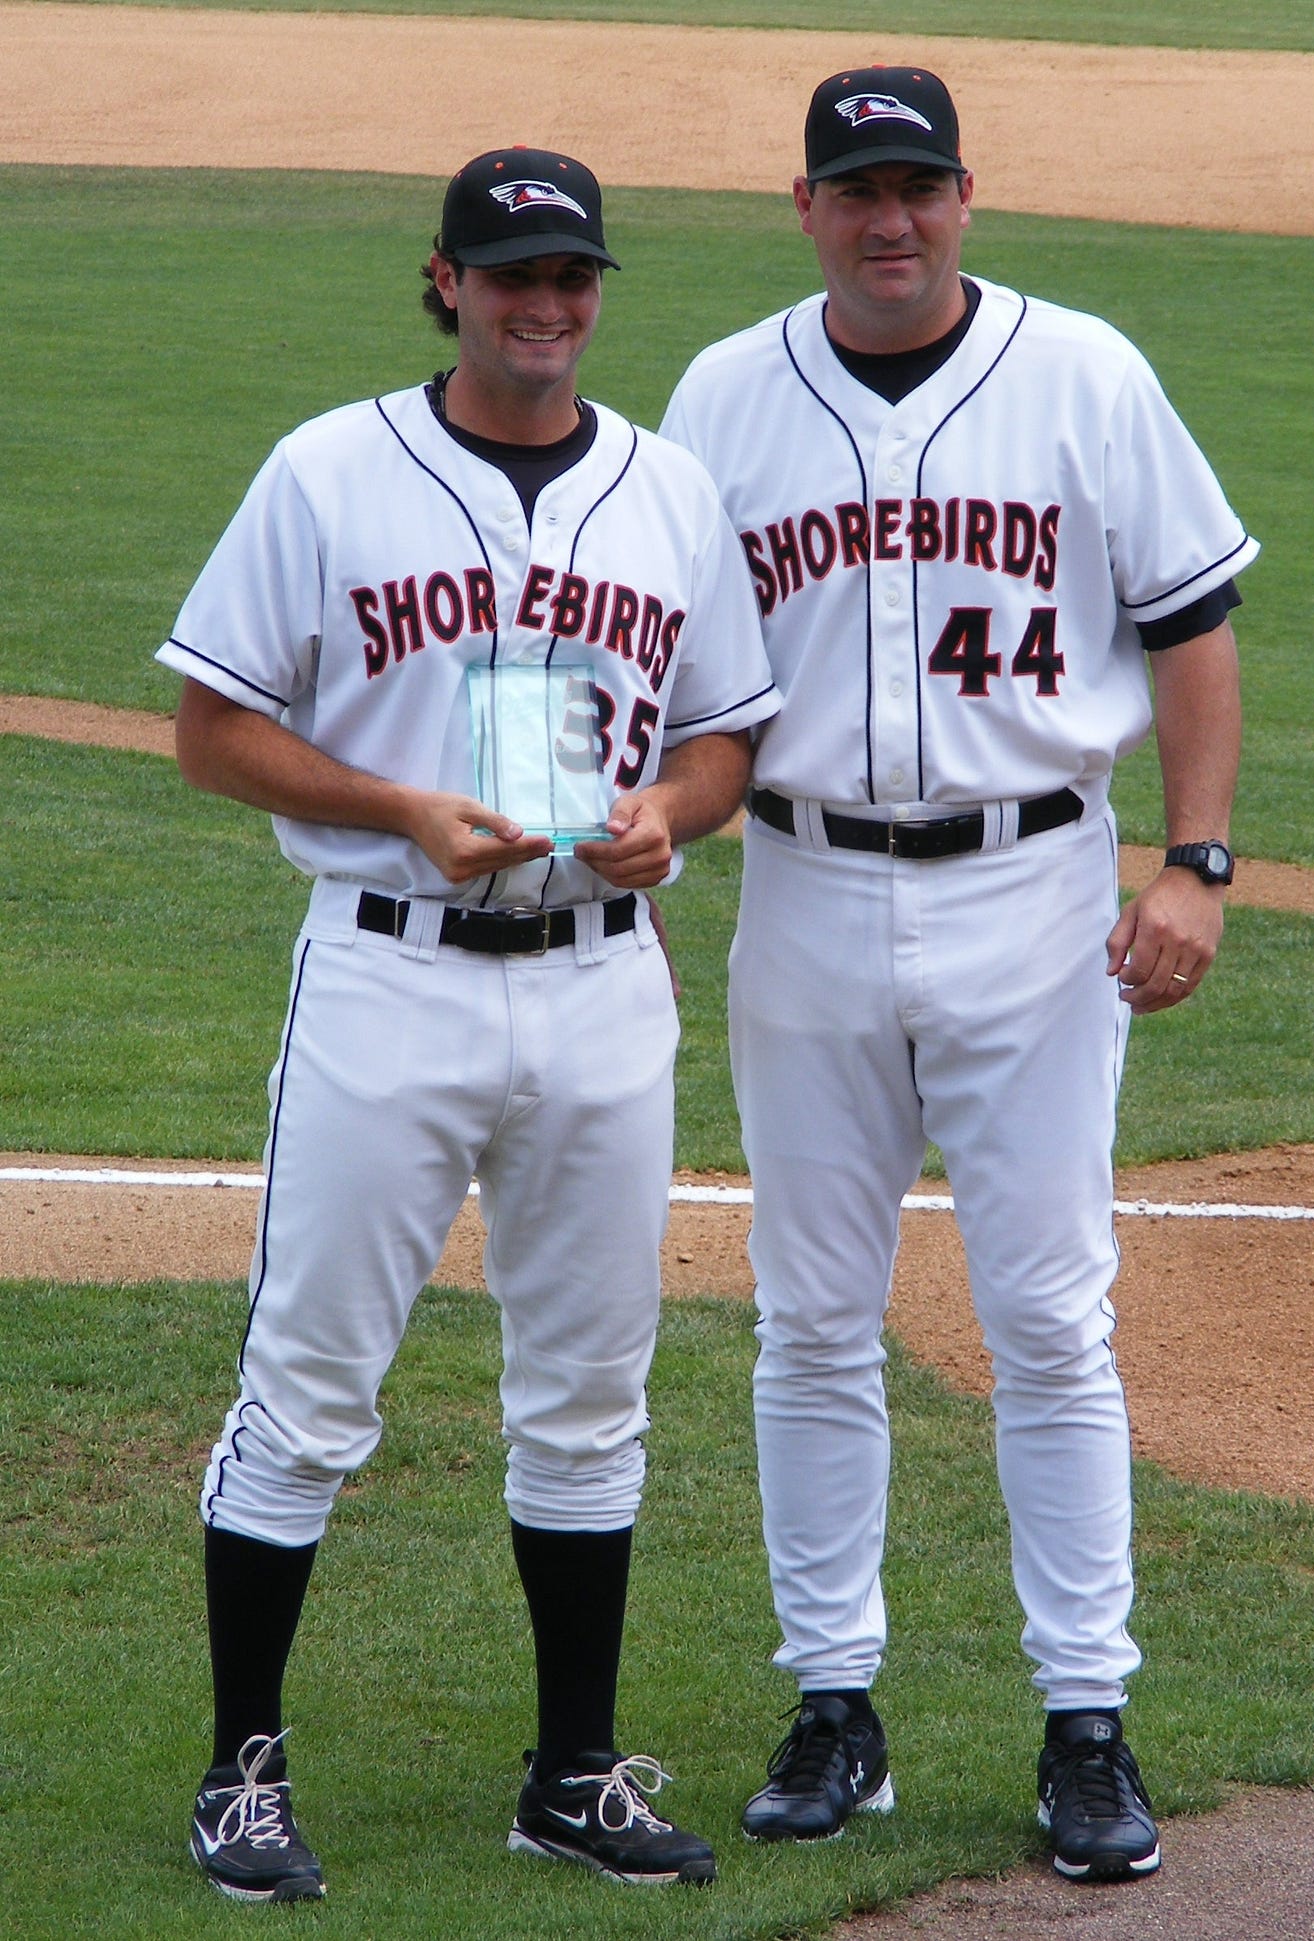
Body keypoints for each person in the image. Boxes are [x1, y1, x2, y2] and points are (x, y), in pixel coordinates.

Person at [158, 145, 778, 1900]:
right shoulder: (330, 469)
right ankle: (243, 1767)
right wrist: (403, 807)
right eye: (512, 275)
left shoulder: (669, 489)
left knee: (591, 1395)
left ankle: (573, 1773)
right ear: (445, 281)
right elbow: (212, 725)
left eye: (574, 277)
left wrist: (680, 808)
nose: (546, 305)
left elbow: (727, 731)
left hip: (602, 985)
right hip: (389, 967)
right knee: (307, 1384)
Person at [661, 65, 1256, 1882]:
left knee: (1053, 1320)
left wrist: (1197, 860)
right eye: (858, 189)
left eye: (918, 185)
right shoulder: (722, 393)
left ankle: (1088, 1717)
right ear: (808, 206)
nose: (890, 217)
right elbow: (673, 654)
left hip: (1037, 893)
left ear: (966, 196)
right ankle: (834, 1705)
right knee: (813, 1316)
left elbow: (1192, 623)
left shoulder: (1086, 371)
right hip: (805, 889)